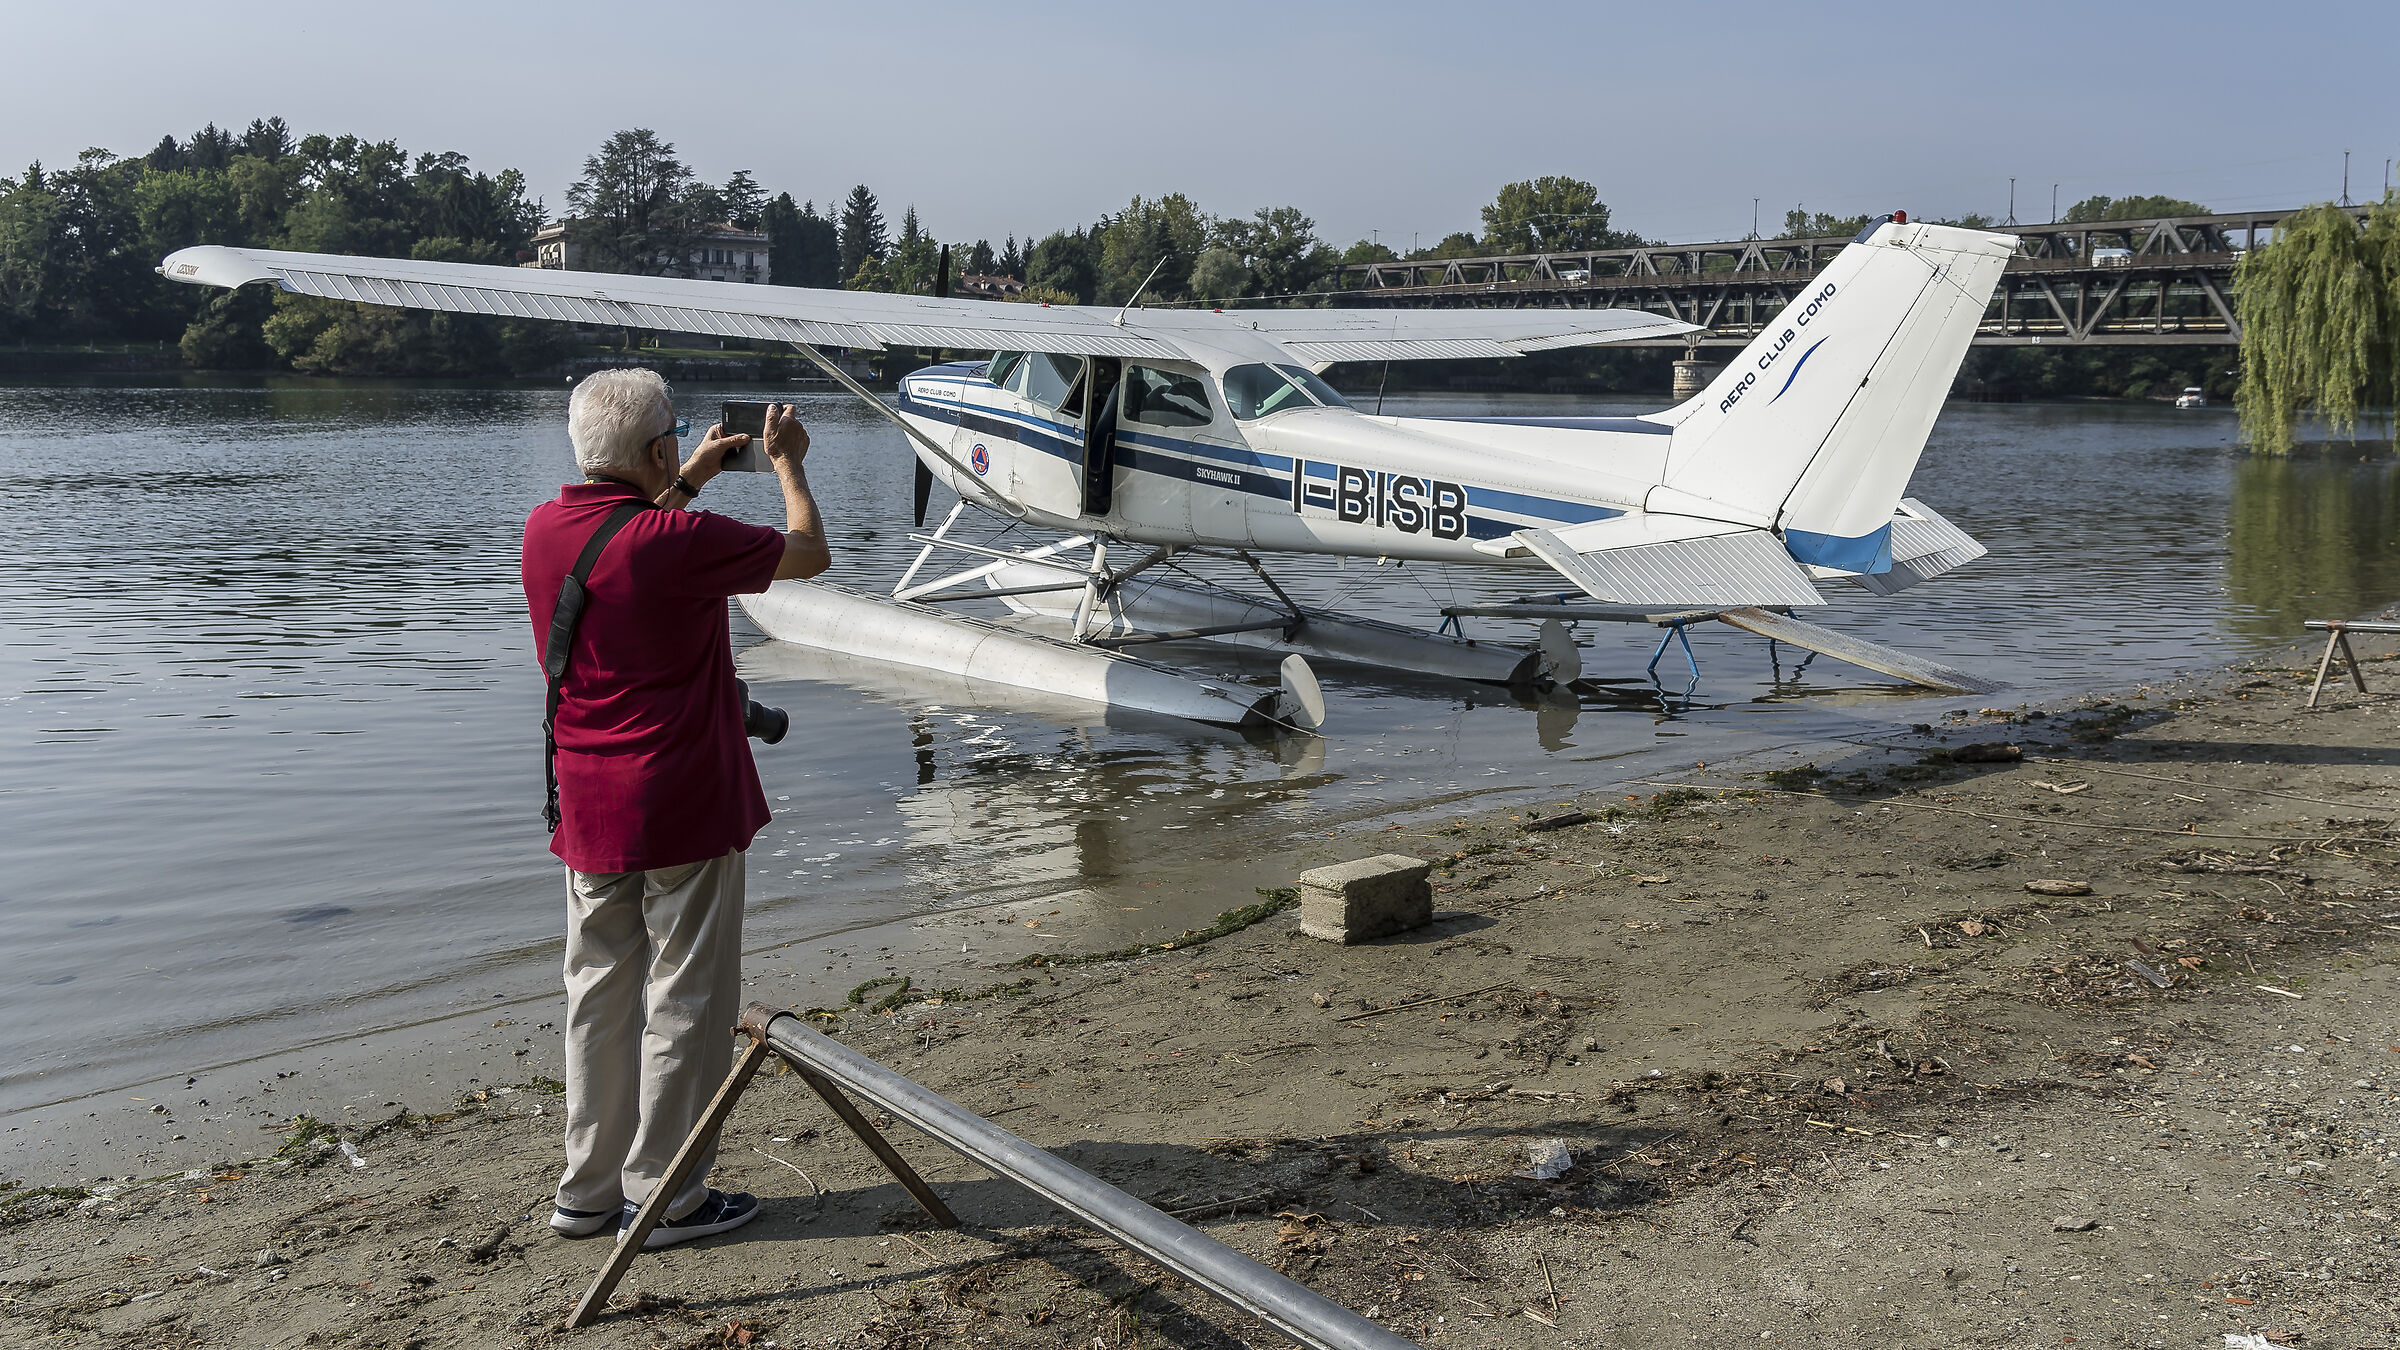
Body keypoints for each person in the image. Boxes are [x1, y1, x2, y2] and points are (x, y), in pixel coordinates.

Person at [519, 369, 830, 1248]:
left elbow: (626, 535)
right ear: (654, 450)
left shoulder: (546, 529)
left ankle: (585, 1194)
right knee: (687, 996)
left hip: (585, 805)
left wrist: (687, 472)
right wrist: (787, 468)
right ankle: (666, 1198)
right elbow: (810, 553)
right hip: (683, 802)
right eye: (672, 446)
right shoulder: (678, 541)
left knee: (598, 996)